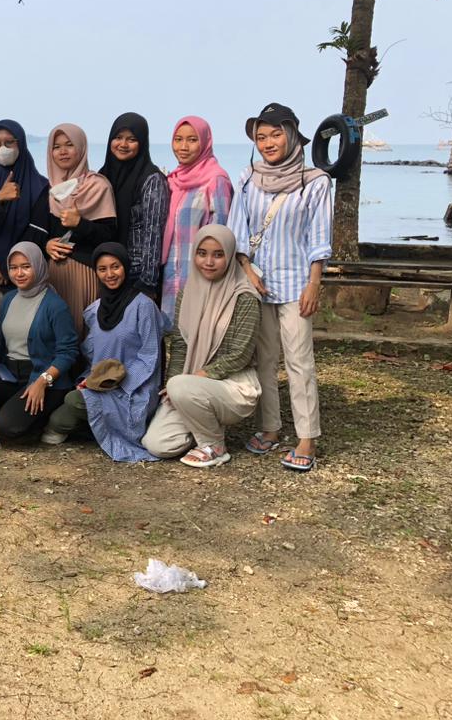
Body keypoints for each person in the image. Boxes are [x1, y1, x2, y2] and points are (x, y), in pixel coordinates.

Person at [228, 103, 331, 472]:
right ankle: (270, 427)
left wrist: (314, 283)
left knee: (300, 361)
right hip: (258, 284)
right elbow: (237, 230)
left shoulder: (315, 182)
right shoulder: (248, 178)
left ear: (292, 135)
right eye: (261, 137)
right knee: (264, 360)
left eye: (275, 134)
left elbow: (319, 237)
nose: (268, 142)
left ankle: (307, 438)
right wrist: (246, 270)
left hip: (296, 284)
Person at [142, 225, 261, 468]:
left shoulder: (244, 296)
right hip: (191, 385)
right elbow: (180, 344)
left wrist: (196, 378)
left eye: (218, 254)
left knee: (181, 386)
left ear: (230, 256)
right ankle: (201, 422)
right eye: (202, 253)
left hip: (234, 387)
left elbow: (241, 354)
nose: (208, 262)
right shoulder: (187, 292)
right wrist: (173, 386)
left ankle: (214, 446)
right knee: (157, 444)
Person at [42, 243, 164, 462]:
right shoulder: (95, 309)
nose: (110, 274)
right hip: (99, 385)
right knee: (58, 420)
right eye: (102, 269)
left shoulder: (144, 306)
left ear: (125, 267)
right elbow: (91, 355)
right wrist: (89, 380)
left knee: (73, 402)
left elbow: (150, 355)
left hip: (134, 388)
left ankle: (106, 426)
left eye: (115, 267)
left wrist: (117, 383)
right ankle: (99, 426)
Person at [0, 242, 78, 441]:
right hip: (10, 376)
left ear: (39, 266)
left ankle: (45, 418)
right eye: (13, 268)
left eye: (26, 266)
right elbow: (6, 343)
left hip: (44, 379)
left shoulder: (55, 305)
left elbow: (68, 352)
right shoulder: (8, 299)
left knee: (6, 427)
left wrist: (42, 382)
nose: (19, 273)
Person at [42, 123, 118, 331]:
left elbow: (109, 236)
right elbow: (39, 232)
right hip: (54, 274)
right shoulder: (48, 190)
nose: (63, 151)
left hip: (85, 273)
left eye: (69, 145)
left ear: (82, 148)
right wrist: (46, 245)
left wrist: (80, 224)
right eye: (56, 147)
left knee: (84, 332)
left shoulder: (98, 185)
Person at [161, 116, 234, 323]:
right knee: (173, 335)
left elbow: (221, 234)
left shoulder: (216, 180)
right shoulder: (172, 181)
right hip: (170, 277)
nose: (183, 147)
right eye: (178, 139)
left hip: (201, 275)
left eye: (192, 140)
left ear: (204, 142)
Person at [0, 119, 50, 288]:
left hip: (21, 278)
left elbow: (36, 233)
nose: (2, 148)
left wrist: (7, 267)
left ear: (21, 144)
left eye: (9, 142)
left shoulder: (40, 186)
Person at [97, 113, 169, 296]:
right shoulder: (102, 176)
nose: (123, 144)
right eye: (118, 137)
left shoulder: (151, 179)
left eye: (131, 139)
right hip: (107, 273)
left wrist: (147, 282)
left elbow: (153, 232)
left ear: (142, 143)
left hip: (136, 275)